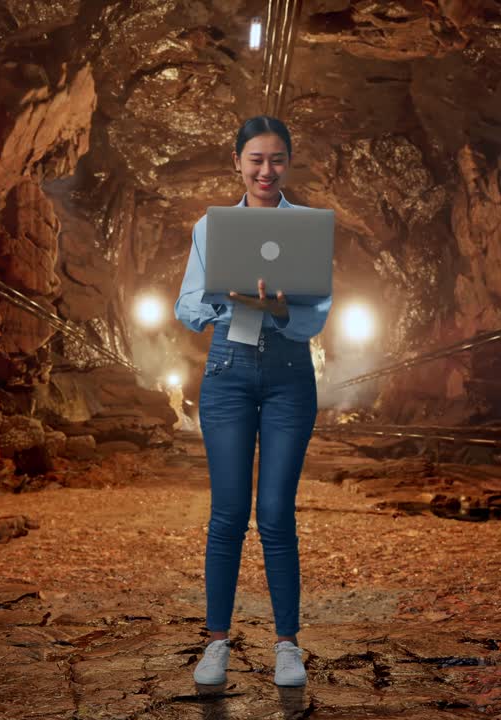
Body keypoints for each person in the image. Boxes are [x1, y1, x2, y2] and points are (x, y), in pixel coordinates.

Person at [174, 115, 332, 687]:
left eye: (278, 160)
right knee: (228, 512)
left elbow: (319, 313)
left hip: (290, 376)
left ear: (289, 163)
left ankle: (287, 645)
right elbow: (185, 306)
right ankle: (217, 643)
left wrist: (284, 308)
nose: (267, 171)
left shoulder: (309, 227)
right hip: (228, 373)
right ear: (237, 163)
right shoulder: (210, 228)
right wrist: (225, 299)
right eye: (256, 160)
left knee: (275, 514)